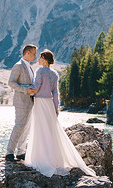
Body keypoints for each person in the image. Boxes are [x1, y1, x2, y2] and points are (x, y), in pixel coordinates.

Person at [24, 49, 96, 177]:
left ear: (45, 60)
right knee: (51, 131)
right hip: (50, 105)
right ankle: (54, 158)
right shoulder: (54, 74)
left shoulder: (39, 71)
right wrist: (56, 108)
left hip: (40, 103)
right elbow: (56, 93)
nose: (38, 60)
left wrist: (26, 90)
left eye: (40, 58)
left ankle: (42, 159)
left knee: (40, 130)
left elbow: (36, 87)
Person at [5, 44, 38, 162]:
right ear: (28, 53)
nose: (35, 56)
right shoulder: (18, 66)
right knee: (19, 127)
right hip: (21, 102)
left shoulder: (29, 67)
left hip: (30, 102)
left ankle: (21, 152)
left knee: (26, 127)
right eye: (34, 53)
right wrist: (26, 89)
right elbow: (11, 82)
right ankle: (9, 152)